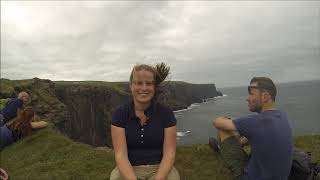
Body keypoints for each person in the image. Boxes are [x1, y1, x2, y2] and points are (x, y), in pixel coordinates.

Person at [209, 77, 293, 180]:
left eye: (251, 94)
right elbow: (259, 133)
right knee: (244, 133)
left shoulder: (256, 121)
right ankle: (226, 147)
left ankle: (222, 149)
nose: (247, 98)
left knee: (224, 129)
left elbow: (217, 122)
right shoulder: (282, 116)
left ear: (264, 97)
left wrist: (230, 122)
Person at [110, 63, 180, 180]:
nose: (144, 88)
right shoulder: (120, 114)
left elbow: (169, 154)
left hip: (159, 168)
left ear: (154, 87)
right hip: (130, 167)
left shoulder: (166, 114)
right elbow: (121, 155)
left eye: (149, 83)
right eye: (138, 83)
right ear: (131, 85)